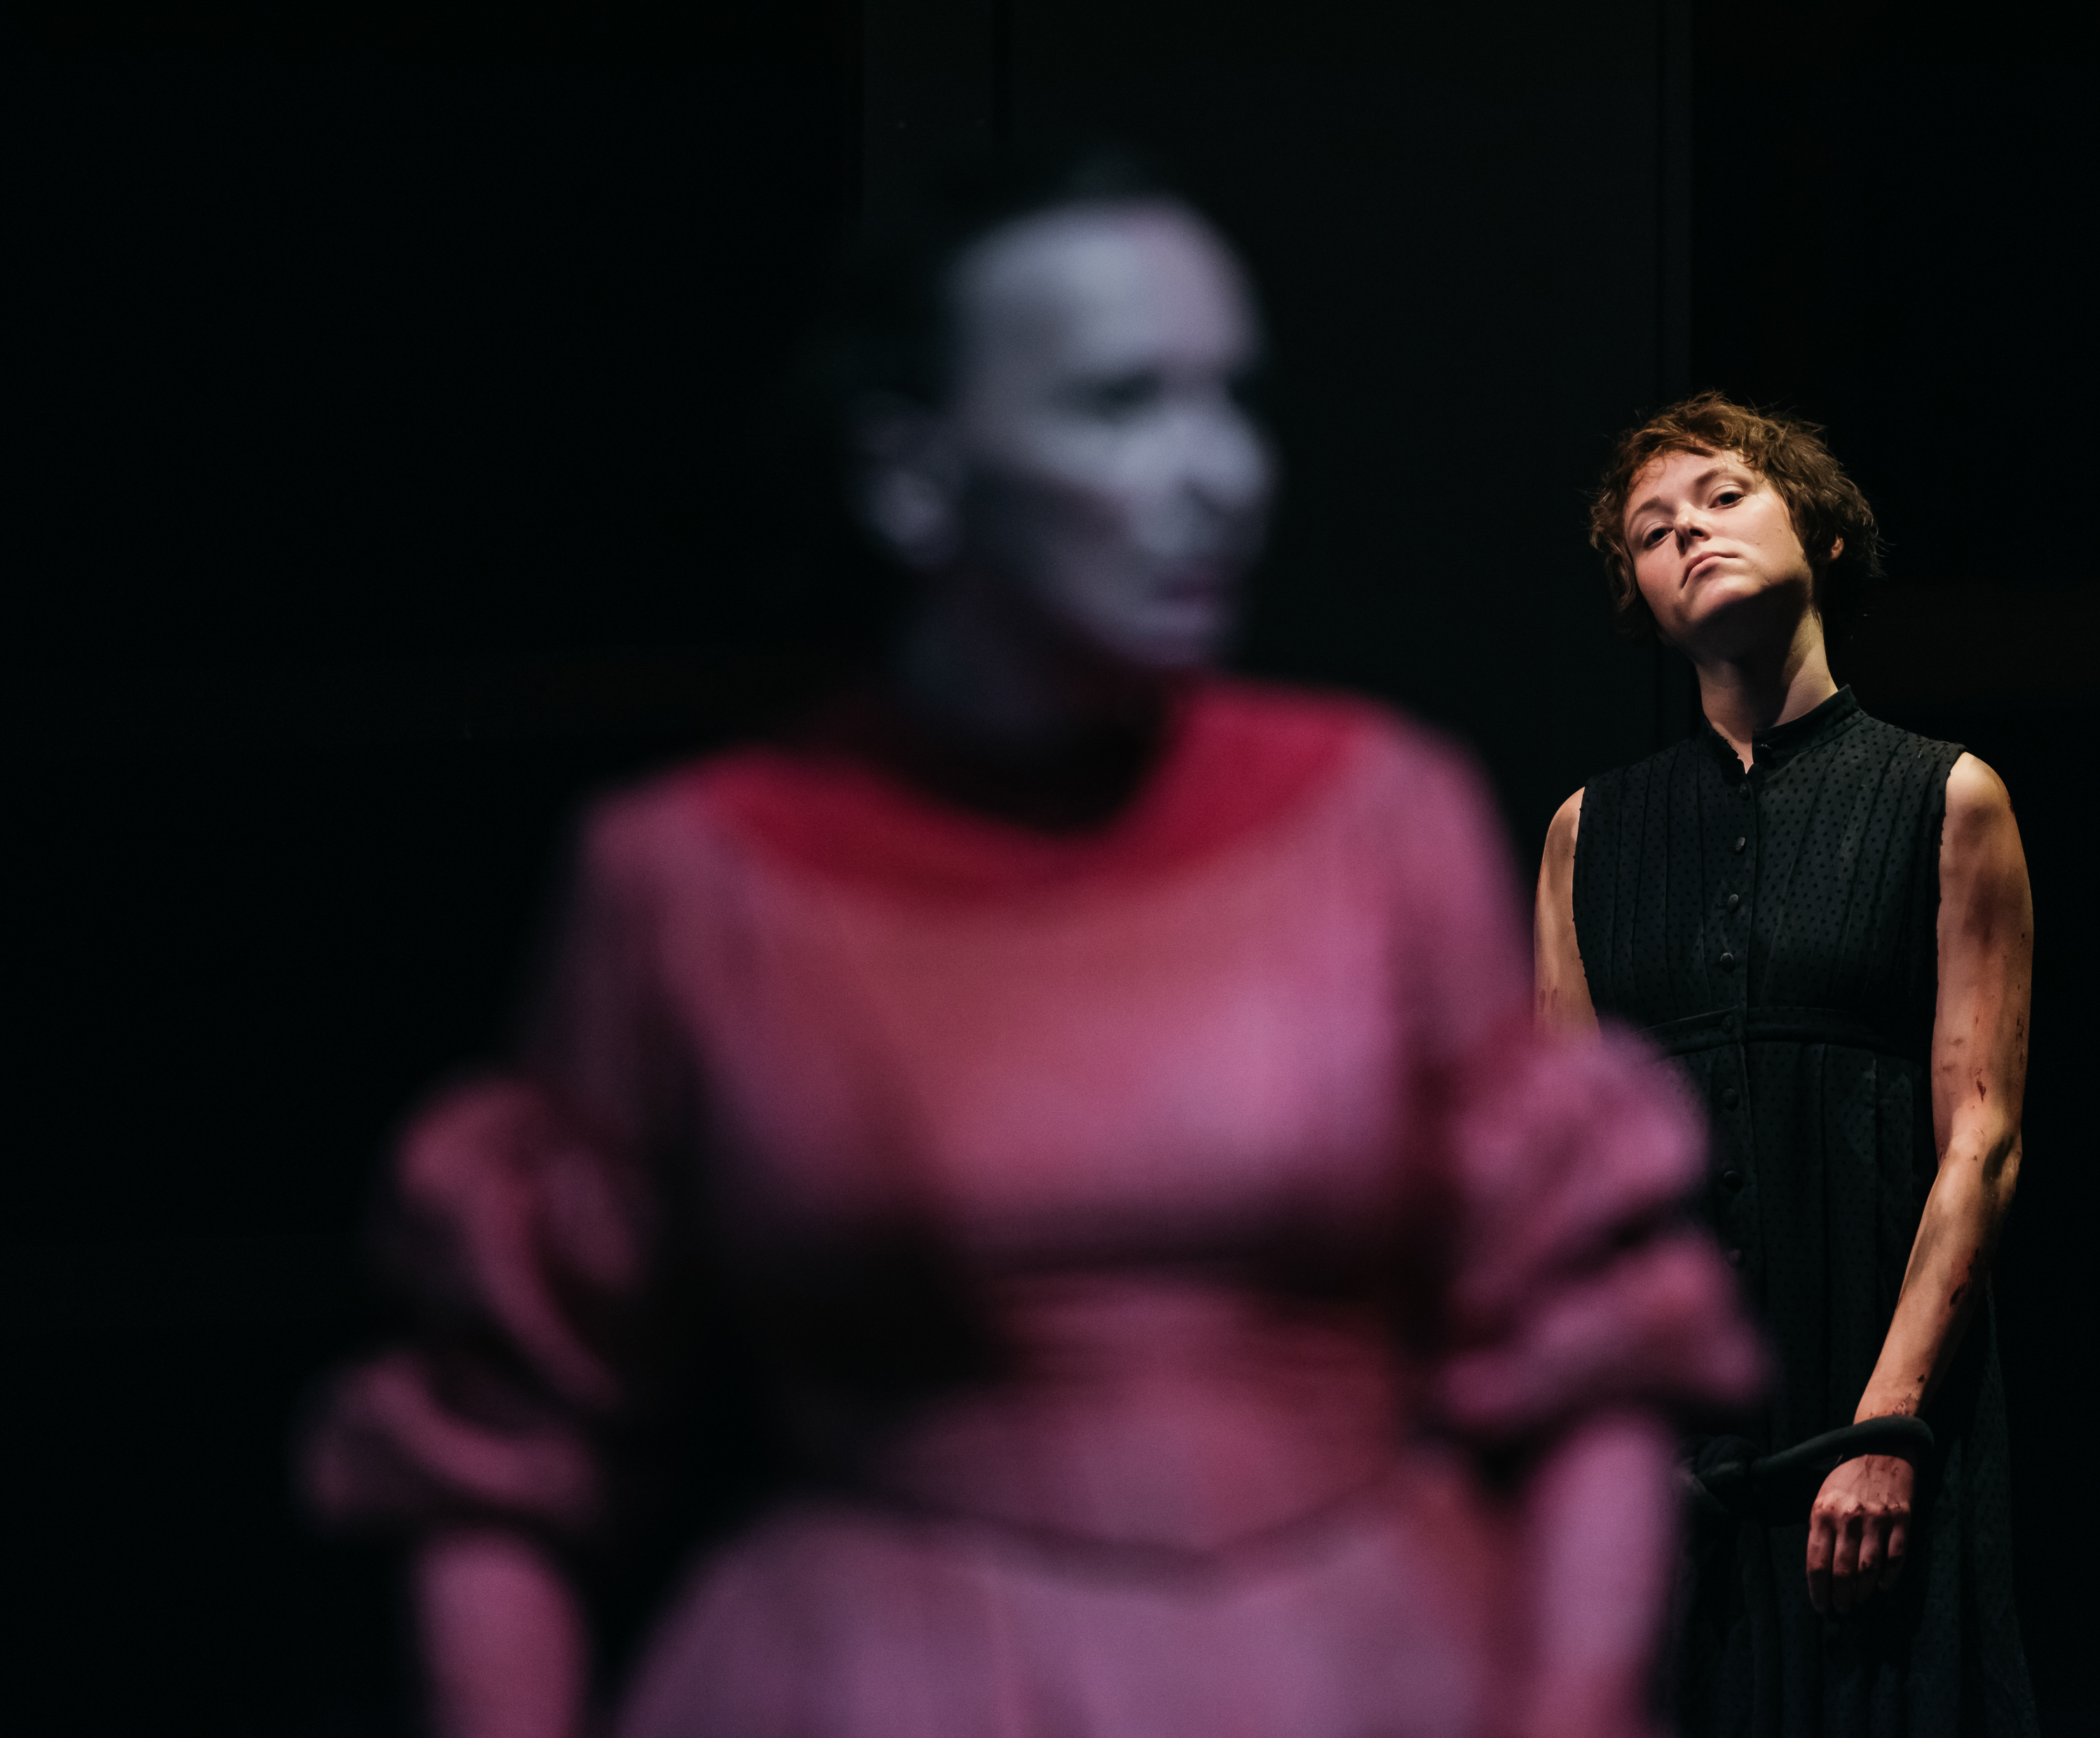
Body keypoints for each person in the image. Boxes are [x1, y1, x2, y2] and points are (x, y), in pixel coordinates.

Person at [300, 151, 1766, 1738]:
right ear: (912, 471)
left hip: (1361, 1668)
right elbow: (500, 1438)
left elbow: (1595, 1346)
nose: (1220, 473)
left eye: (1233, 399)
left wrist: (1572, 1703)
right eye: (1121, 404)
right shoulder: (689, 880)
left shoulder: (1378, 816)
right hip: (877, 1683)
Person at [1534, 395, 2037, 1734]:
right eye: (1654, 530)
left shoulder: (1945, 798)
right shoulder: (1588, 834)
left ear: (1818, 530)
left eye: (1723, 497)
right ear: (1642, 600)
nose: (1689, 533)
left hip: (1877, 1409)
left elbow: (1981, 1140)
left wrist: (1887, 1429)